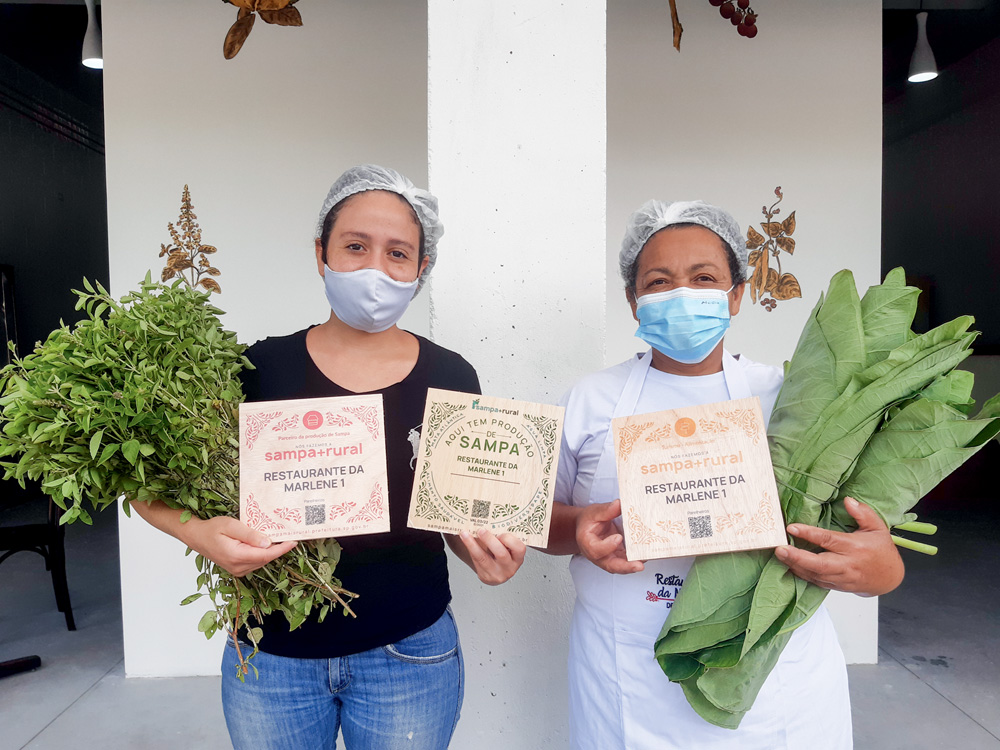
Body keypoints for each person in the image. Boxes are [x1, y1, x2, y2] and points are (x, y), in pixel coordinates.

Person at [132, 165, 526, 750]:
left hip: (409, 650)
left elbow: (453, 516)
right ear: (321, 254)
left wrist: (486, 555)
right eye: (355, 246)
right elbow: (147, 486)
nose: (375, 268)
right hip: (273, 655)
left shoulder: (450, 376)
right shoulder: (256, 368)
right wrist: (201, 533)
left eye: (398, 253)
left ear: (421, 269)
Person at [545, 199, 905, 750]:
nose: (681, 294)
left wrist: (881, 571)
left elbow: (871, 547)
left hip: (774, 683)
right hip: (626, 678)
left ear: (736, 294)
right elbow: (538, 522)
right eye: (658, 281)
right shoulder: (591, 401)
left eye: (704, 277)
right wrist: (578, 531)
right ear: (633, 301)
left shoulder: (791, 401)